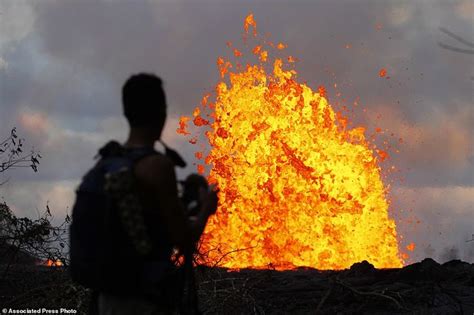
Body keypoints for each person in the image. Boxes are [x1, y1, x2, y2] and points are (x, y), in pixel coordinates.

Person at [73, 73, 218, 315]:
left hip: (106, 299)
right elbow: (184, 238)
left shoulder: (108, 162)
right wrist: (206, 209)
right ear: (162, 112)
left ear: (127, 113)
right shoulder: (157, 167)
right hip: (141, 300)